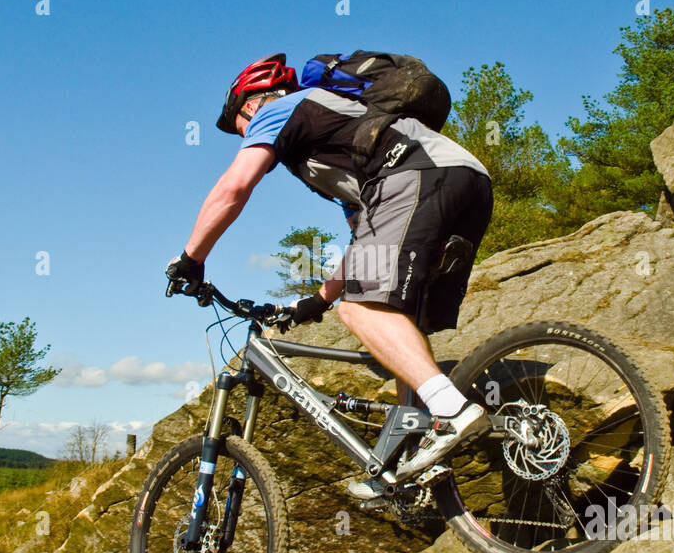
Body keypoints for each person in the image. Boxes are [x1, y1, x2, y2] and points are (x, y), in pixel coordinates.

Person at [166, 53, 494, 498]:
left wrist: (191, 258)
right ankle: (410, 454)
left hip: (417, 176)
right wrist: (318, 299)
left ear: (250, 103)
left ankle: (451, 411)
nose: (242, 135)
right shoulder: (342, 140)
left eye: (236, 124)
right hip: (466, 181)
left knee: (361, 312)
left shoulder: (284, 109)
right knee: (401, 319)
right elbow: (365, 240)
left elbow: (234, 187)